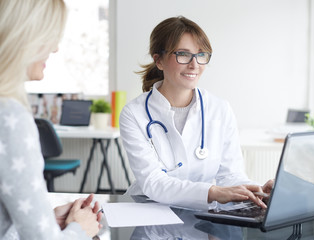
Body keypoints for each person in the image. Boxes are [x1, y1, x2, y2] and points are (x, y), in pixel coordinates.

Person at [119, 16, 273, 210]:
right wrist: (212, 192)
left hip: (201, 214)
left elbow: (231, 175)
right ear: (159, 60)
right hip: (150, 210)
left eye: (201, 55)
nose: (194, 65)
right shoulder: (134, 114)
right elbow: (153, 182)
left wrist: (258, 191)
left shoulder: (219, 109)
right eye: (183, 54)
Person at [0, 0, 102, 239]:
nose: (55, 48)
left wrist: (44, 220)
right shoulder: (10, 116)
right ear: (24, 35)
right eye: (50, 36)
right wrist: (81, 229)